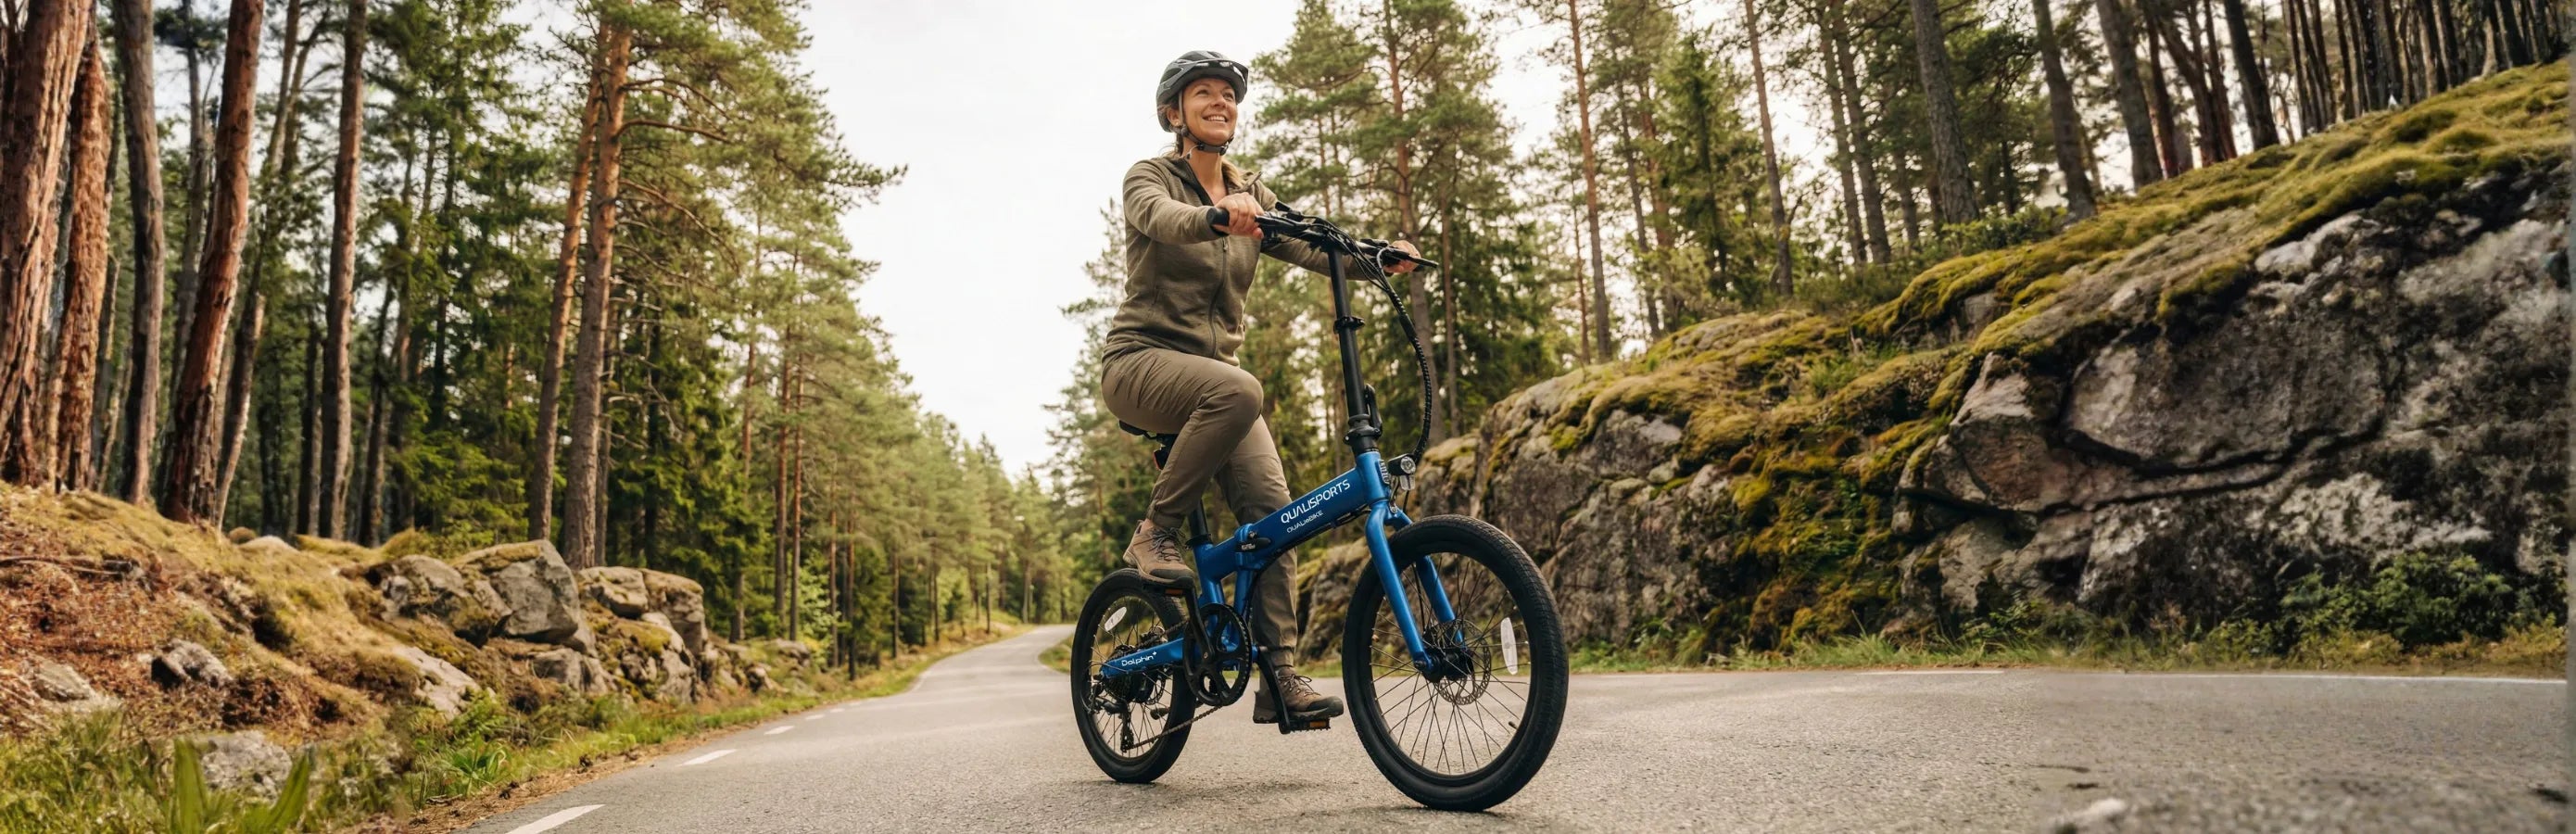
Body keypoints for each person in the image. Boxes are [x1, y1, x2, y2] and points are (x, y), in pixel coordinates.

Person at [1103, 50, 1417, 726]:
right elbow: (1161, 218)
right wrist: (1216, 216)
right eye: (1203, 94)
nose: (1220, 102)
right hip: (1141, 365)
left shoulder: (1255, 191)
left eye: (1228, 95)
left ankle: (1279, 676)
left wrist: (1373, 257)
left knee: (1275, 518)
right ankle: (1155, 532)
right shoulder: (1148, 176)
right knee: (1241, 389)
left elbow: (1310, 244)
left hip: (1220, 388)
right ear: (1173, 113)